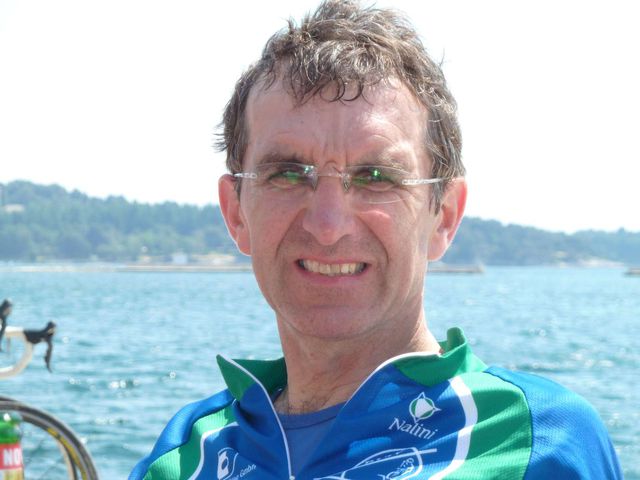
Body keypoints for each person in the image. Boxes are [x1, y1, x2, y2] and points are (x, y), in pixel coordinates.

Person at [130, 1, 622, 478]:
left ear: (444, 216)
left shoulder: (536, 443)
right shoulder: (184, 457)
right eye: (288, 174)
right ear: (236, 212)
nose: (328, 225)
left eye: (376, 177)